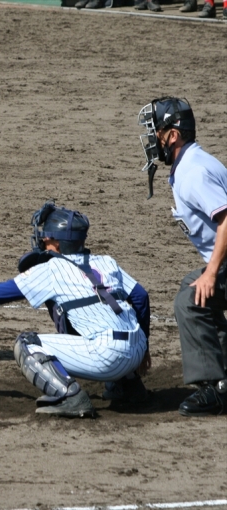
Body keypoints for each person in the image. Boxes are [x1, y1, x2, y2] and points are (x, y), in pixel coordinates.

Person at [0, 201, 152, 418]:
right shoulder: (107, 262)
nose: (42, 240)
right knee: (102, 314)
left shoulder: (52, 269)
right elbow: (140, 297)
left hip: (106, 358)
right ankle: (130, 387)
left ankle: (70, 397)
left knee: (26, 344)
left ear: (58, 243)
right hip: (136, 350)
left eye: (47, 237)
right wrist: (144, 348)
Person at [138, 97, 227, 416]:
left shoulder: (193, 173)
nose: (153, 139)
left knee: (190, 301)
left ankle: (215, 389)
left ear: (173, 135)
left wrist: (212, 272)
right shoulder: (190, 164)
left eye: (157, 132)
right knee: (195, 288)